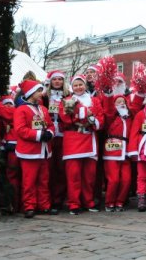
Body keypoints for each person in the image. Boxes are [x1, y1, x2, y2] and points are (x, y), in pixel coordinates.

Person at [58, 74, 105, 215]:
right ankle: (74, 203)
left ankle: (88, 201)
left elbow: (100, 119)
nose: (78, 87)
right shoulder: (67, 101)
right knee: (74, 175)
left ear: (85, 85)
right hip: (73, 140)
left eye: (81, 84)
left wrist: (89, 117)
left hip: (89, 140)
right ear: (72, 87)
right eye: (76, 85)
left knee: (89, 176)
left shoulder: (94, 100)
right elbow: (65, 118)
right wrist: (85, 114)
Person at [13, 79, 55, 218]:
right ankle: (29, 206)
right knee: (29, 181)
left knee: (44, 180)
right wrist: (38, 135)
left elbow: (50, 125)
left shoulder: (43, 109)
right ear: (31, 93)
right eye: (38, 91)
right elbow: (20, 130)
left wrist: (50, 133)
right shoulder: (21, 110)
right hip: (29, 152)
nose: (41, 94)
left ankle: (44, 205)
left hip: (43, 150)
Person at [42, 70, 70, 214]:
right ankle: (48, 199)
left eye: (60, 79)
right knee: (49, 168)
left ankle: (58, 199)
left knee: (60, 168)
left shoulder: (68, 96)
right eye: (55, 79)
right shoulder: (45, 97)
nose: (57, 82)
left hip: (63, 135)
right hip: (49, 134)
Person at [102, 94, 134, 212]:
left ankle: (120, 201)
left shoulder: (129, 117)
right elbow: (108, 108)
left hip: (125, 152)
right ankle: (109, 202)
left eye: (123, 102)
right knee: (113, 179)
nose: (121, 104)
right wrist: (109, 94)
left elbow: (136, 105)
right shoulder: (111, 116)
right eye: (118, 102)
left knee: (126, 179)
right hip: (111, 152)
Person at [0, 93, 21, 212]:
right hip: (5, 148)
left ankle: (15, 204)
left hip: (13, 149)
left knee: (13, 175)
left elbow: (0, 108)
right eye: (6, 104)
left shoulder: (12, 113)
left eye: (10, 104)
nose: (8, 106)